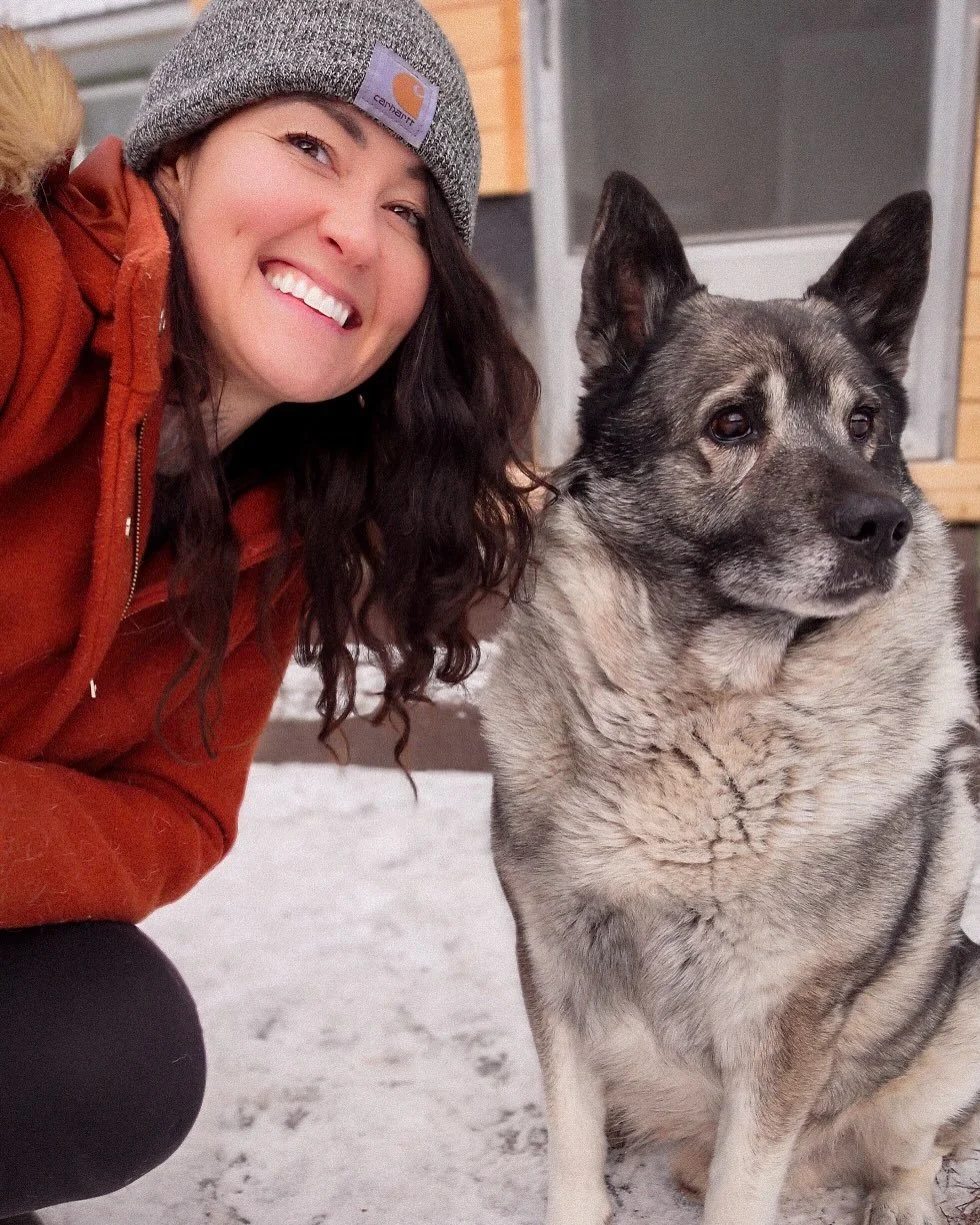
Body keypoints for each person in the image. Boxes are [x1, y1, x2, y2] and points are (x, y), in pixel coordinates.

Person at [0, 0, 538, 1215]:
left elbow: (174, 807)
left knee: (111, 1052)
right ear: (178, 158)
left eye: (407, 211)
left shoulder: (271, 525)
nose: (353, 229)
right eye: (311, 147)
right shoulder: (20, 298)